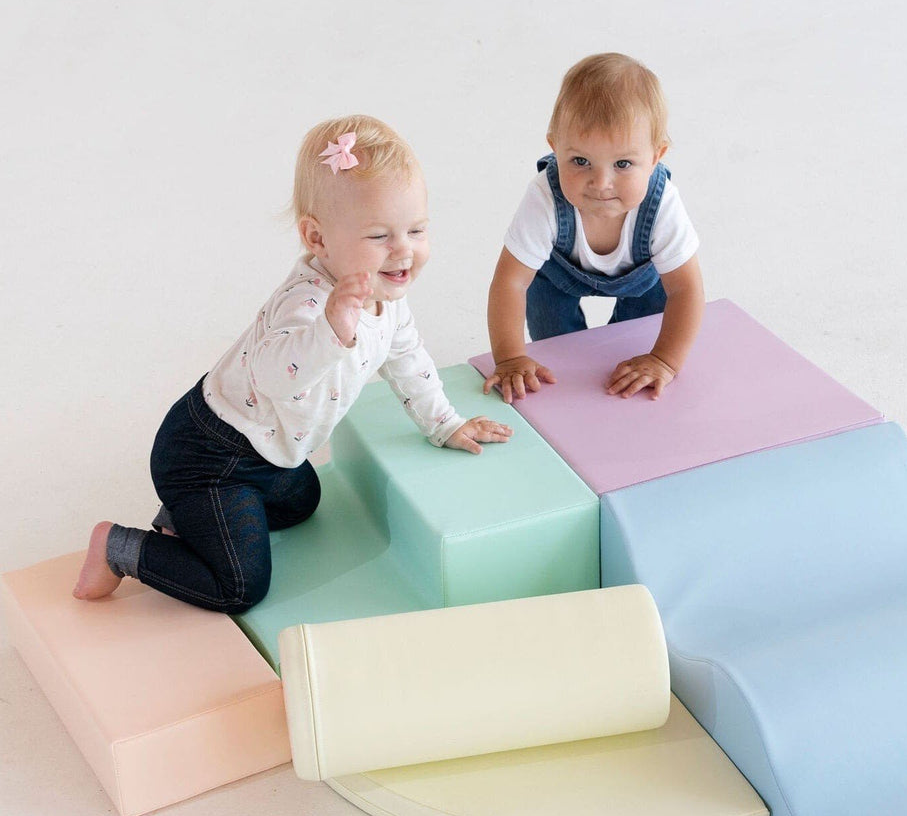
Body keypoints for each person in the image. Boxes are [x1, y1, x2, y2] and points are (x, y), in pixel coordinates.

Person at [74, 115, 511, 611]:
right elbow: (275, 378)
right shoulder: (308, 304)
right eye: (379, 237)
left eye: (416, 230)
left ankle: (185, 520)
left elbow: (408, 359)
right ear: (317, 239)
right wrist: (331, 330)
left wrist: (445, 424)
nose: (403, 251)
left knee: (304, 501)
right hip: (209, 455)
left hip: (268, 452)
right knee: (241, 587)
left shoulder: (386, 298)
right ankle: (118, 547)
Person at [483, 53, 704, 404]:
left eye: (623, 164)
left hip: (643, 284)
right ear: (555, 148)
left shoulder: (662, 203)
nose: (601, 183)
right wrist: (509, 358)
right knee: (559, 360)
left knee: (631, 353)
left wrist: (665, 359)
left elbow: (686, 289)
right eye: (581, 161)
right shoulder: (544, 196)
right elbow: (510, 281)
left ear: (655, 157)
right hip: (556, 281)